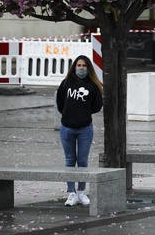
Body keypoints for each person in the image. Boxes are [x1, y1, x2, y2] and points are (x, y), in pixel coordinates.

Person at [55, 55, 103, 207]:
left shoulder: (93, 86)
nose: (81, 68)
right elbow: (60, 103)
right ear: (74, 67)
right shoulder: (66, 83)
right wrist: (69, 114)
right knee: (69, 161)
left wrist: (83, 113)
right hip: (67, 128)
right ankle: (71, 193)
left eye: (84, 66)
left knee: (82, 161)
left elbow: (97, 106)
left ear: (88, 68)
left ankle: (81, 192)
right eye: (78, 65)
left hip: (85, 129)